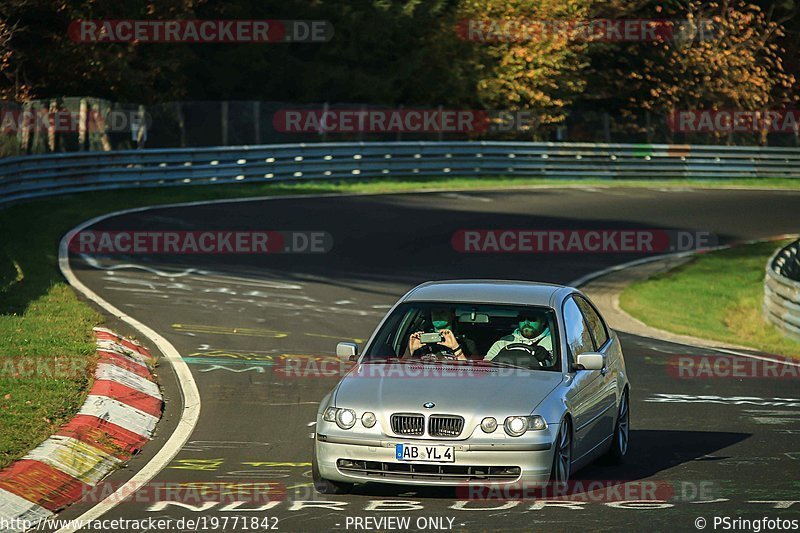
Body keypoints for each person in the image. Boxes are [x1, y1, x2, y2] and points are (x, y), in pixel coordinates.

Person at [484, 313, 554, 366]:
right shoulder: (503, 343)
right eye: (522, 319)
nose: (526, 323)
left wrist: (548, 356)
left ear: (543, 321)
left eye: (532, 318)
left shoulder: (555, 342)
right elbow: (487, 367)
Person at [406, 308, 476, 360]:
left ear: (452, 315)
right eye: (435, 312)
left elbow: (472, 373)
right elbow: (402, 370)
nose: (438, 315)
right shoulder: (419, 341)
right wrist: (411, 351)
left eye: (443, 312)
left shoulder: (467, 344)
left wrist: (456, 348)